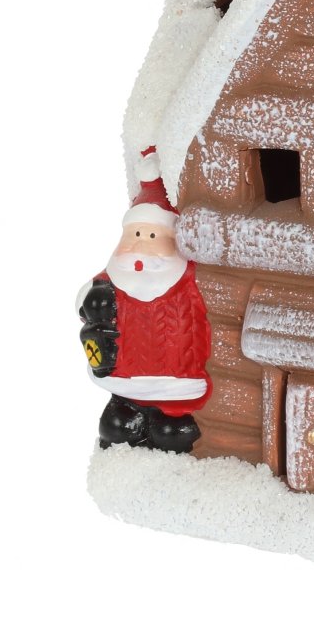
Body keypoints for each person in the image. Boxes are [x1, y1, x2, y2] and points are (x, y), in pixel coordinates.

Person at [77, 147, 211, 452]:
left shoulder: (187, 278)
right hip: (124, 384)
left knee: (172, 434)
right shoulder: (112, 279)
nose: (140, 246)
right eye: (135, 235)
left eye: (151, 236)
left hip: (178, 389)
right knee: (117, 426)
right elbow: (85, 304)